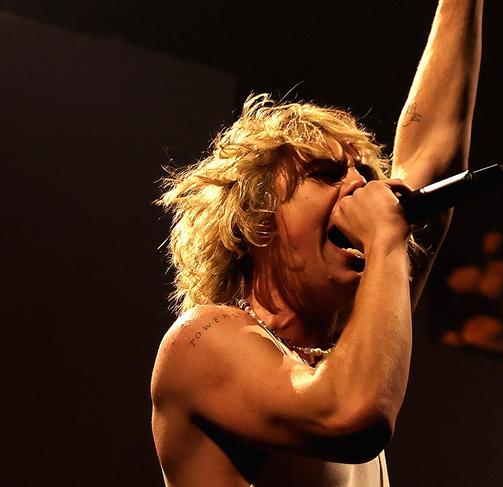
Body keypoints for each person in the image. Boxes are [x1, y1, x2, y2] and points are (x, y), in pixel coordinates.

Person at [151, 1, 483, 485]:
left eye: (365, 175)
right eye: (326, 175)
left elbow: (431, 156)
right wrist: (386, 238)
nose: (364, 190)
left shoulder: (352, 347)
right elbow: (351, 417)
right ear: (253, 220)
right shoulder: (203, 342)